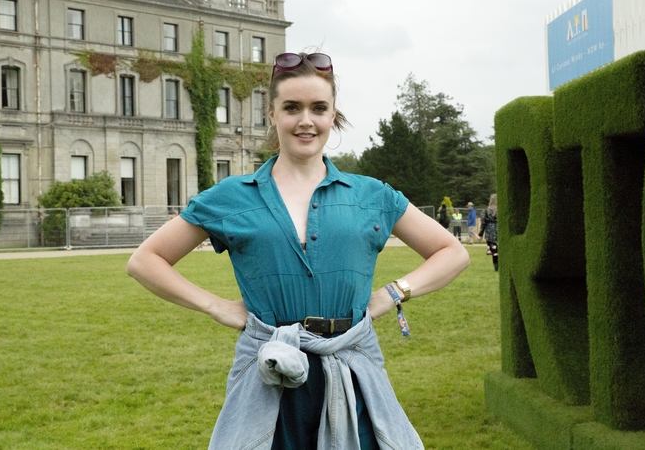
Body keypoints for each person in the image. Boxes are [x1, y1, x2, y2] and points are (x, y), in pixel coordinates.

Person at [126, 51, 470, 450]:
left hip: (354, 376)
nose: (306, 120)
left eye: (318, 108)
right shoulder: (231, 198)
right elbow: (144, 261)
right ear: (271, 114)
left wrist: (392, 293)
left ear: (332, 114)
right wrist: (215, 306)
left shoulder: (371, 195)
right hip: (267, 377)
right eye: (292, 107)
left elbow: (452, 251)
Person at [479, 193, 498, 271]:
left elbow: (484, 222)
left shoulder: (488, 210)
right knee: (499, 249)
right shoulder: (500, 209)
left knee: (494, 251)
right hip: (498, 229)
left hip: (490, 231)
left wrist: (481, 233)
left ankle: (496, 268)